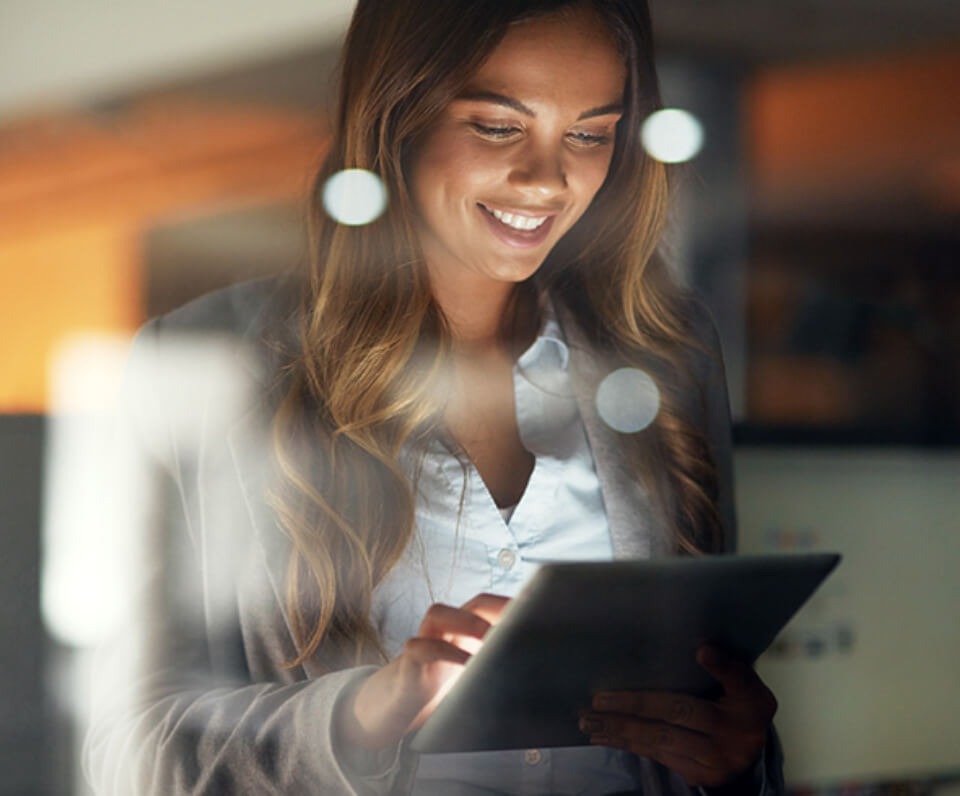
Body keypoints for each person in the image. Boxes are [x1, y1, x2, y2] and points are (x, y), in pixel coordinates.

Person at [85, 0, 784, 794]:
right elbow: (124, 748)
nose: (548, 179)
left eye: (589, 134)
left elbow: (714, 711)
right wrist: (362, 715)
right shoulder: (212, 362)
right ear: (396, 118)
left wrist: (738, 758)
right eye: (495, 126)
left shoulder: (667, 357)